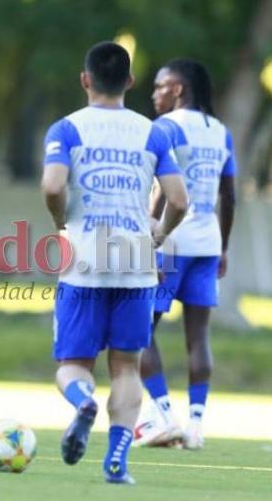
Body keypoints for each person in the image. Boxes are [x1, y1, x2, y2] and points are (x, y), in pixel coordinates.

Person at [41, 42, 188, 484]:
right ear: (129, 81)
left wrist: (59, 222)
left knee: (72, 364)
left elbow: (52, 186)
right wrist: (157, 236)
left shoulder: (66, 129)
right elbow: (179, 200)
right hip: (136, 264)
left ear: (85, 80)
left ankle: (83, 400)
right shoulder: (153, 133)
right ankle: (118, 459)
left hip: (84, 262)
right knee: (126, 366)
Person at [133, 59, 236, 450]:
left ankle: (162, 415)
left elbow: (162, 187)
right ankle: (195, 426)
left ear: (178, 89)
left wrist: (148, 237)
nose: (154, 92)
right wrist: (223, 246)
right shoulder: (220, 132)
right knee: (198, 337)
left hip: (170, 243)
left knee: (139, 329)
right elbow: (230, 194)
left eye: (160, 86)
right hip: (207, 243)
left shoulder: (165, 127)